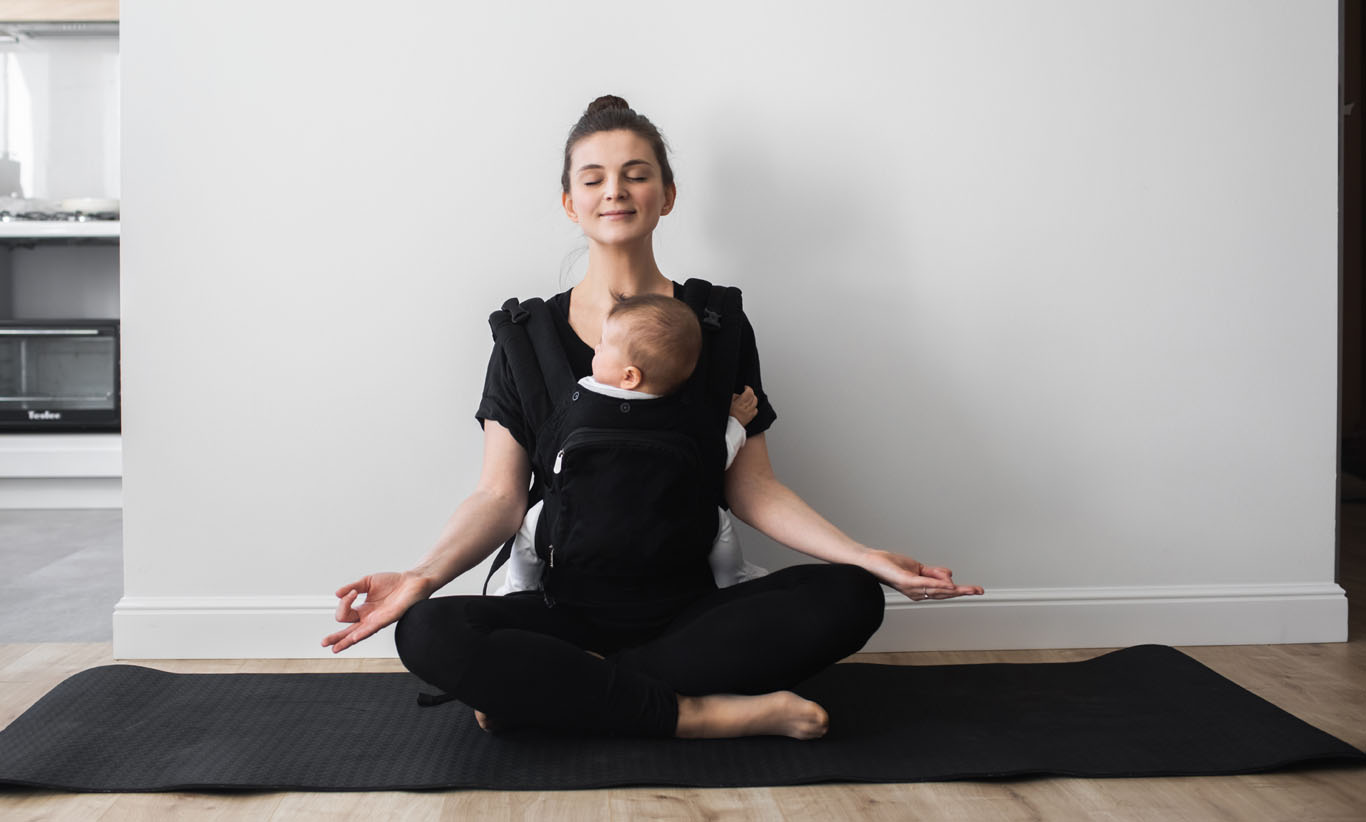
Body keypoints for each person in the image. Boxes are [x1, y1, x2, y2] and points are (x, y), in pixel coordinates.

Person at [322, 95, 984, 741]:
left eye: (636, 174)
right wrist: (423, 575)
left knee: (851, 596)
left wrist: (864, 556)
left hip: (690, 611)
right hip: (559, 606)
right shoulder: (524, 337)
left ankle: (561, 691)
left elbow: (752, 486)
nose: (615, 190)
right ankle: (695, 715)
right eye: (593, 178)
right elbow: (499, 496)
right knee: (427, 631)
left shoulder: (717, 325)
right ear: (570, 202)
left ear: (667, 195)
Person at [496, 292, 767, 597]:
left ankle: (518, 587)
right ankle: (734, 579)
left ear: (629, 376)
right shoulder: (683, 417)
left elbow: (549, 449)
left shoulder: (582, 397)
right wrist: (736, 422)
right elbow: (718, 458)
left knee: (531, 525)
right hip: (662, 533)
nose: (596, 348)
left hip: (581, 525)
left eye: (603, 345)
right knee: (718, 523)